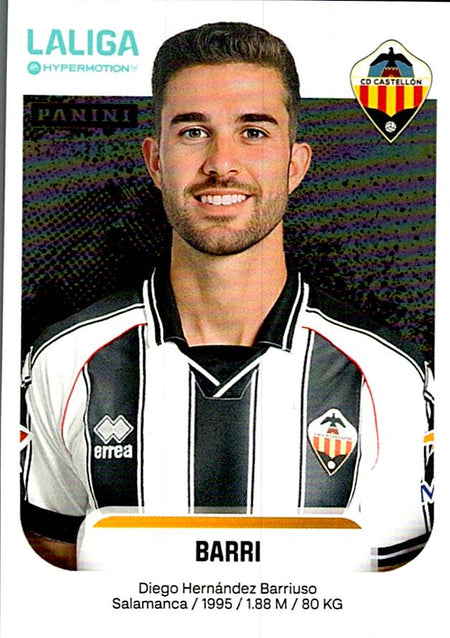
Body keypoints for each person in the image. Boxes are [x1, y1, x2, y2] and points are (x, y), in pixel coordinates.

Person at [21, 21, 434, 571]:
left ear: (295, 165)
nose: (221, 163)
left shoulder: (388, 376)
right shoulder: (64, 363)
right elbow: (48, 574)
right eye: (194, 132)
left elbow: (401, 590)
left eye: (253, 132)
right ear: (155, 161)